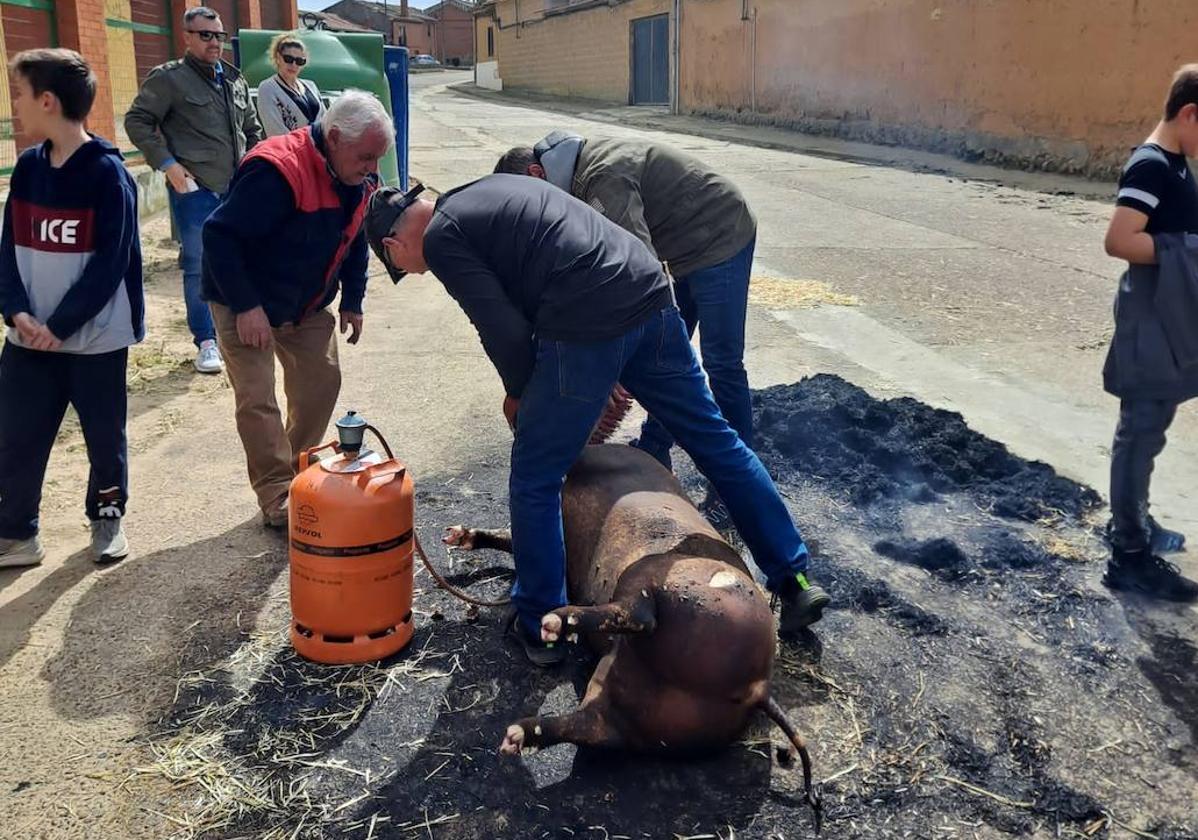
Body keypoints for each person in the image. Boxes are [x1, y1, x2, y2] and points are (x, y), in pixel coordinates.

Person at [365, 175, 830, 667]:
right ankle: (794, 579)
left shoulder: (441, 237)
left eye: (401, 267)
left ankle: (542, 626)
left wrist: (522, 395)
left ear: (394, 245)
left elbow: (500, 328)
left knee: (535, 476)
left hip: (588, 319)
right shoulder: (487, 190)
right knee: (717, 442)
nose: (414, 272)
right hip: (647, 291)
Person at [495, 133, 757, 528]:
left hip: (720, 235)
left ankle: (735, 498)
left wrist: (613, 357)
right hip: (683, 247)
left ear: (537, 173)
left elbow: (637, 274)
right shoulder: (574, 177)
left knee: (720, 363)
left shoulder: (602, 180)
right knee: (664, 358)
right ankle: (654, 448)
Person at [201, 91, 389, 528]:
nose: (373, 169)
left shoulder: (358, 178)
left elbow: (356, 236)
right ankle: (276, 494)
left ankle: (298, 471)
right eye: (366, 156)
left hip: (305, 303)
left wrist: (354, 300)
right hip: (242, 297)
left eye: (378, 158)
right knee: (257, 397)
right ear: (336, 137)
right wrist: (247, 307)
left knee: (321, 382)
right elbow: (219, 237)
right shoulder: (275, 171)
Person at [0, 49, 144, 568]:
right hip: (27, 339)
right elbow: (8, 249)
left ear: (47, 100)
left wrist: (59, 326)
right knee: (15, 435)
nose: (15, 106)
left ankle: (106, 519)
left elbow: (110, 265)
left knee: (104, 438)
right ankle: (16, 532)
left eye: (18, 94)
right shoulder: (28, 168)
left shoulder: (108, 174)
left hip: (94, 341)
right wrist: (16, 311)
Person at [1101, 65, 1198, 602]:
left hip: (1167, 316)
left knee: (1149, 429)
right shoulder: (1152, 165)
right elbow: (1120, 240)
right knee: (1140, 432)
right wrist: (1186, 250)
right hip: (1151, 319)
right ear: (1189, 113)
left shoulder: (1177, 163)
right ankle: (1131, 553)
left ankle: (1134, 520)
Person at [125, 6, 263, 375]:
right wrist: (168, 166)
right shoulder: (170, 79)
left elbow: (252, 128)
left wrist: (253, 161)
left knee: (240, 258)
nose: (214, 42)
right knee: (198, 264)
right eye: (205, 35)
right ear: (187, 37)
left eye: (218, 35)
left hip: (236, 188)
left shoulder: (234, 79)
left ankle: (235, 326)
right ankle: (206, 340)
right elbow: (137, 120)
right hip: (196, 188)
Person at [256, 33, 325, 137]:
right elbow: (275, 132)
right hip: (288, 150)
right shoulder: (267, 88)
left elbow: (325, 120)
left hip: (318, 149)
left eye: (299, 61)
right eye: (288, 59)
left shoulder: (311, 86)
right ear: (278, 57)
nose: (293, 65)